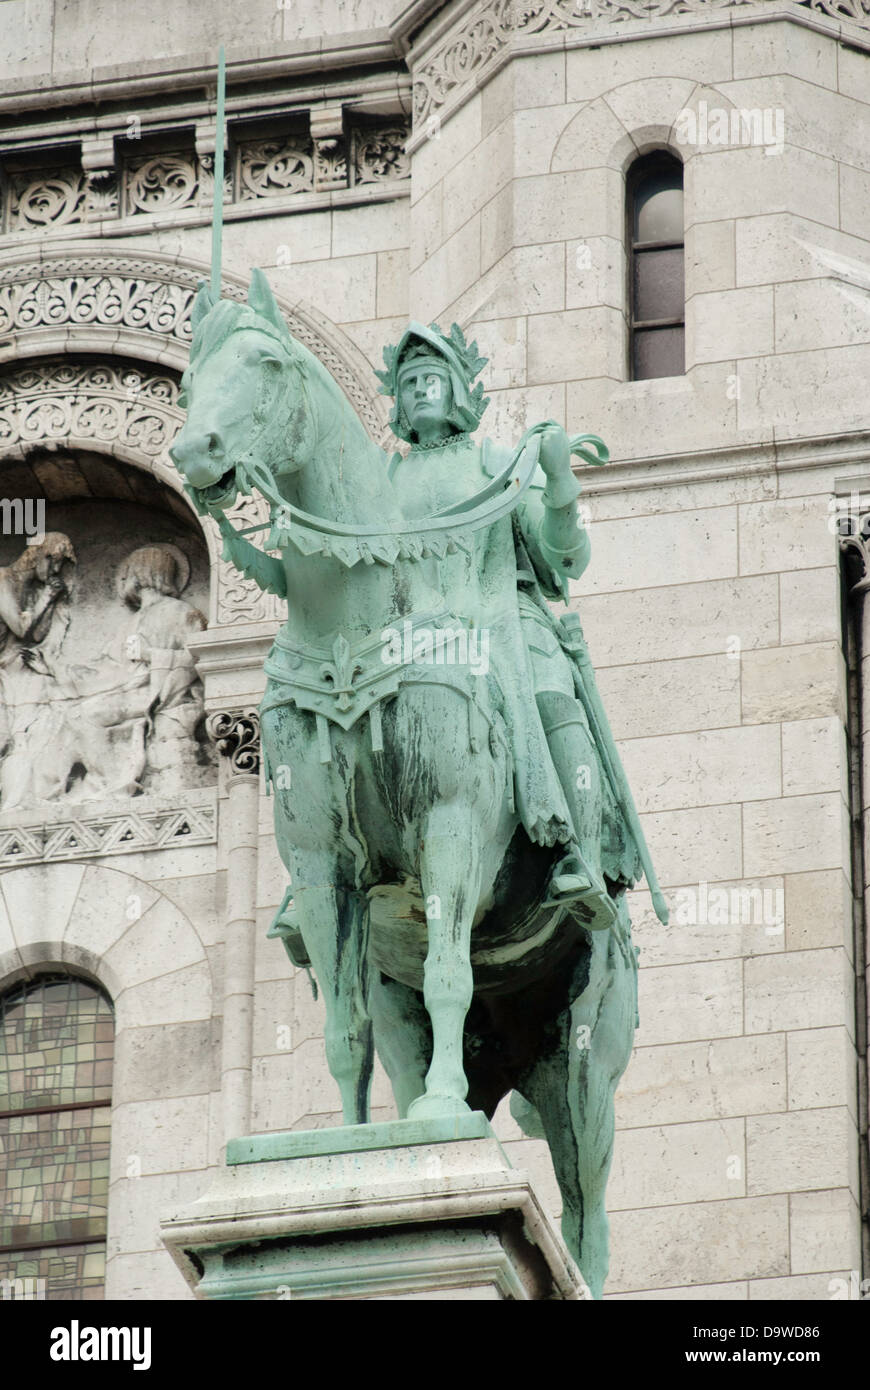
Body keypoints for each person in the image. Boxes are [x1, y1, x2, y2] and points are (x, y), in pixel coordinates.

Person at [377, 323, 643, 930]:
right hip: (405, 636)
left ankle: (578, 857)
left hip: (498, 618)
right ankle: (331, 861)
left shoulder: (494, 462)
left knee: (552, 692)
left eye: (431, 381)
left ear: (457, 394)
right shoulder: (384, 483)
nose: (420, 392)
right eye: (409, 383)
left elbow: (561, 559)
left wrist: (561, 489)